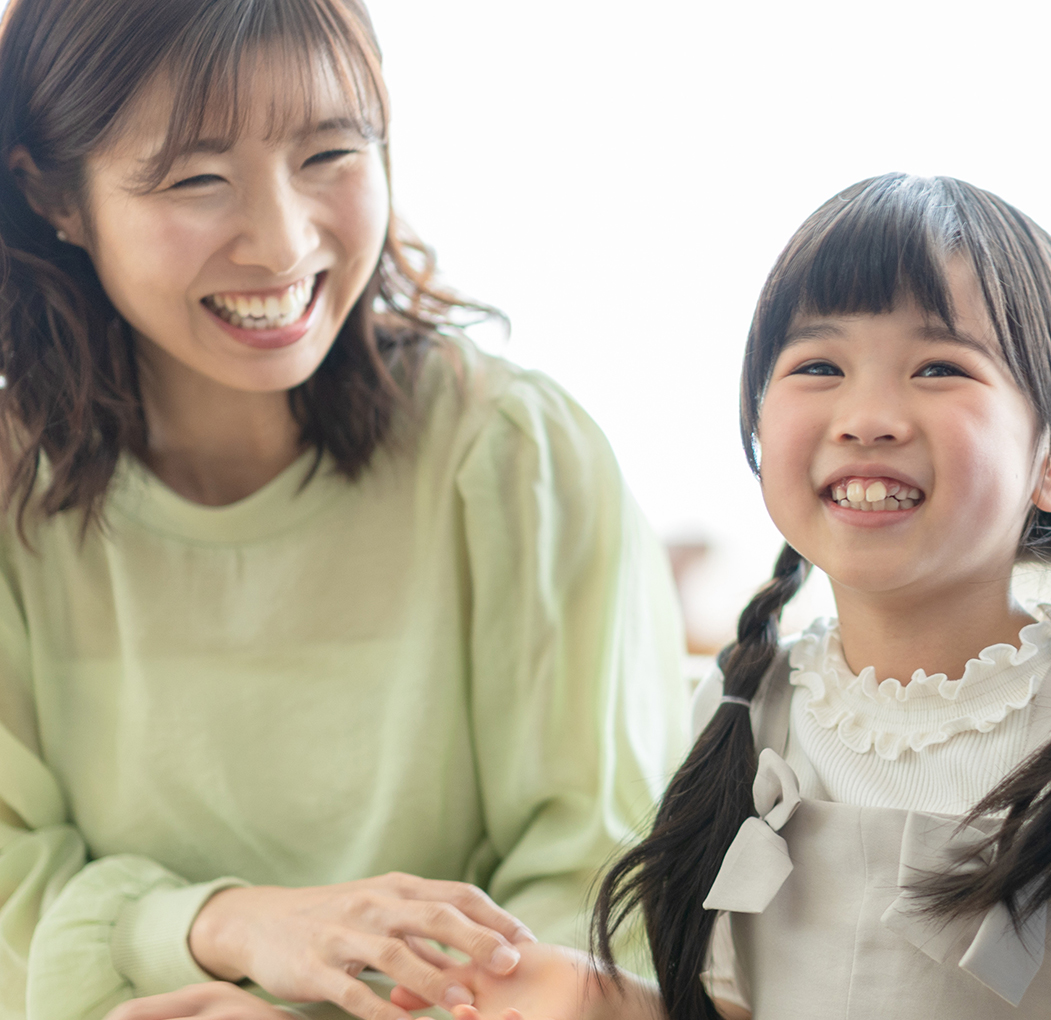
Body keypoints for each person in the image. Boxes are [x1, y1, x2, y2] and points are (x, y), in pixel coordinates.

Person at [0, 2, 687, 1019]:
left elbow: (603, 891)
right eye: (197, 178)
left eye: (330, 152)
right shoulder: (16, 502)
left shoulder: (513, 461)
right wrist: (223, 922)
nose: (281, 242)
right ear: (55, 195)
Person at [418, 173, 1051, 1020]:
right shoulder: (743, 710)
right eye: (818, 365)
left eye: (938, 366)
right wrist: (593, 1000)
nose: (868, 415)